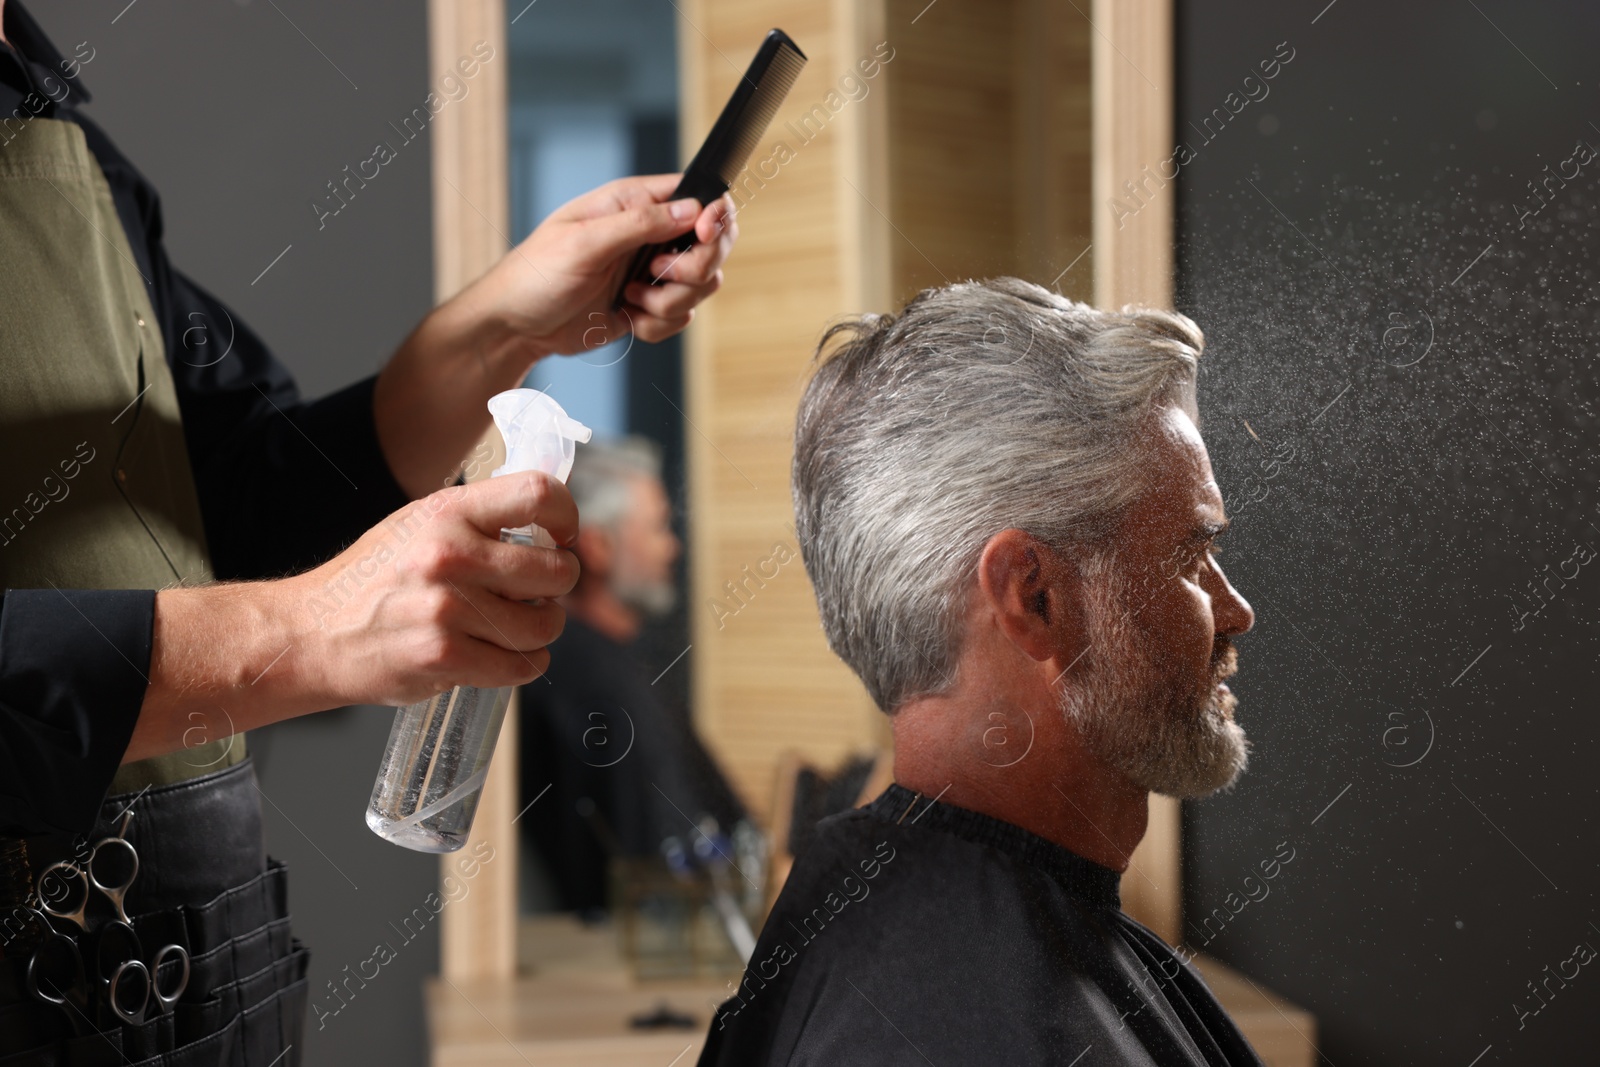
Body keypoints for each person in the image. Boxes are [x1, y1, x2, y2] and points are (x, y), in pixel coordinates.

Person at [0, 2, 737, 1061]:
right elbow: (281, 594)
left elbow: (247, 501)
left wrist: (502, 327)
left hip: (201, 972)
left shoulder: (70, 144)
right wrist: (298, 635)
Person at [698, 278, 1264, 1066]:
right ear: (1033, 596)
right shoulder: (964, 1026)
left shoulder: (857, 905)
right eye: (1189, 555)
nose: (1235, 609)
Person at [519, 439, 746, 915]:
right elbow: (665, 855)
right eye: (659, 526)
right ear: (600, 546)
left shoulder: (610, 663)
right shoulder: (591, 679)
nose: (673, 546)